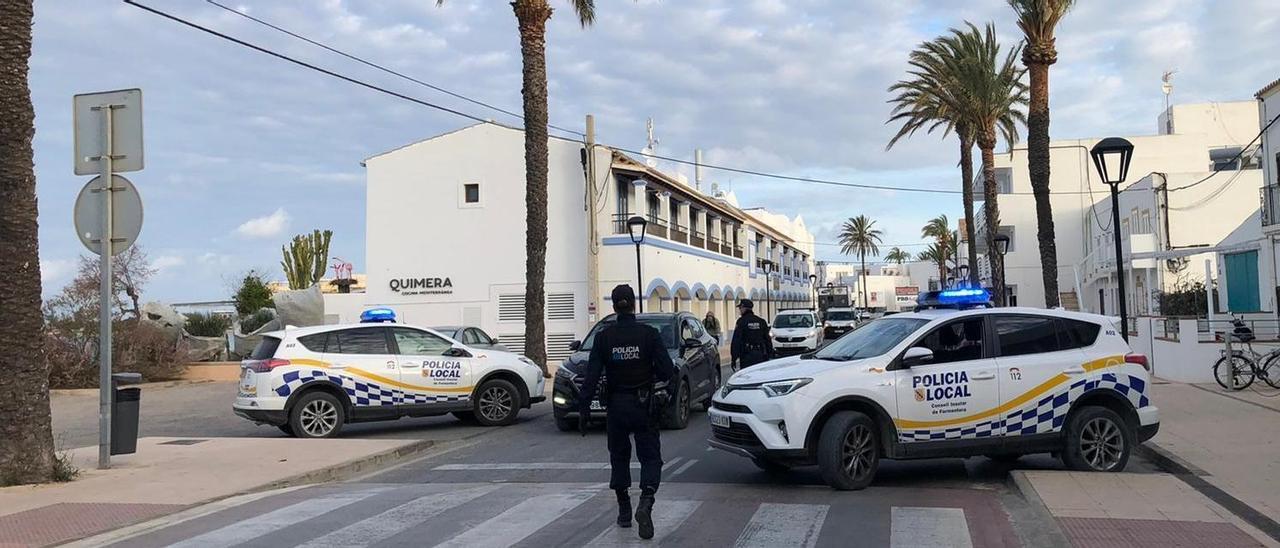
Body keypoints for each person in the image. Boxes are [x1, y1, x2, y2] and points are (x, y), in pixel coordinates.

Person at [577, 284, 677, 540]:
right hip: (644, 406)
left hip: (616, 407)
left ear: (613, 306)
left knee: (619, 457)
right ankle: (646, 501)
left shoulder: (604, 337)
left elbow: (592, 375)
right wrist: (665, 392)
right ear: (634, 304)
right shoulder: (648, 334)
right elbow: (668, 371)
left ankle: (623, 510)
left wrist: (584, 408)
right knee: (651, 457)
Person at [730, 299, 773, 371]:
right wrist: (770, 354)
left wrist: (734, 358)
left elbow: (736, 340)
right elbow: (767, 339)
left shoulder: (741, 322)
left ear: (744, 308)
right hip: (760, 354)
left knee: (747, 377)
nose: (740, 310)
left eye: (740, 308)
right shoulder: (761, 321)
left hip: (746, 356)